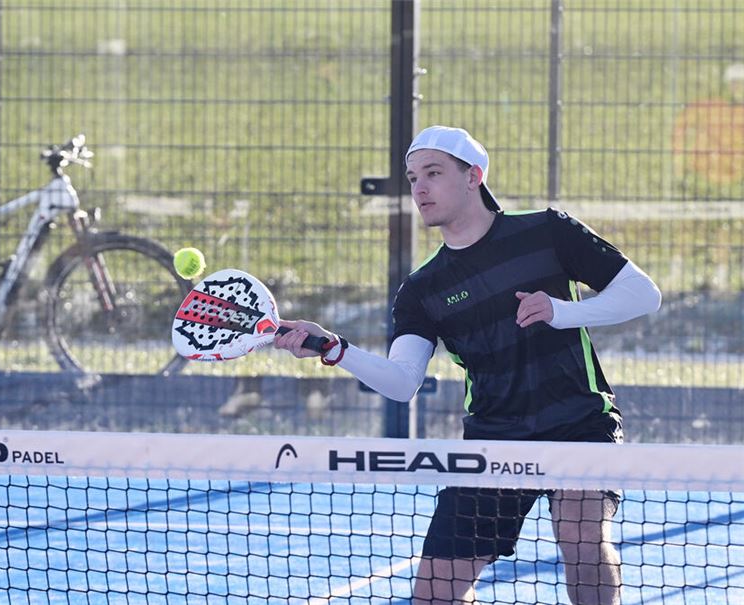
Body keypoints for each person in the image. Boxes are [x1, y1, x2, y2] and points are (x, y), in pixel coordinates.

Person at [274, 125, 661, 605]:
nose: (419, 188)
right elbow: (401, 383)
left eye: (433, 173)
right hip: (494, 439)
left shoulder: (547, 230)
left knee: (582, 540)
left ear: (473, 176)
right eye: (413, 176)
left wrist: (564, 312)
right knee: (434, 594)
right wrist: (336, 349)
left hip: (579, 422)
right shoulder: (422, 289)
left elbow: (644, 294)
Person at [672, 63, 744, 188]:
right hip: (705, 173)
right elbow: (680, 129)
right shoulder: (709, 106)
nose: (737, 87)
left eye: (740, 83)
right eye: (734, 83)